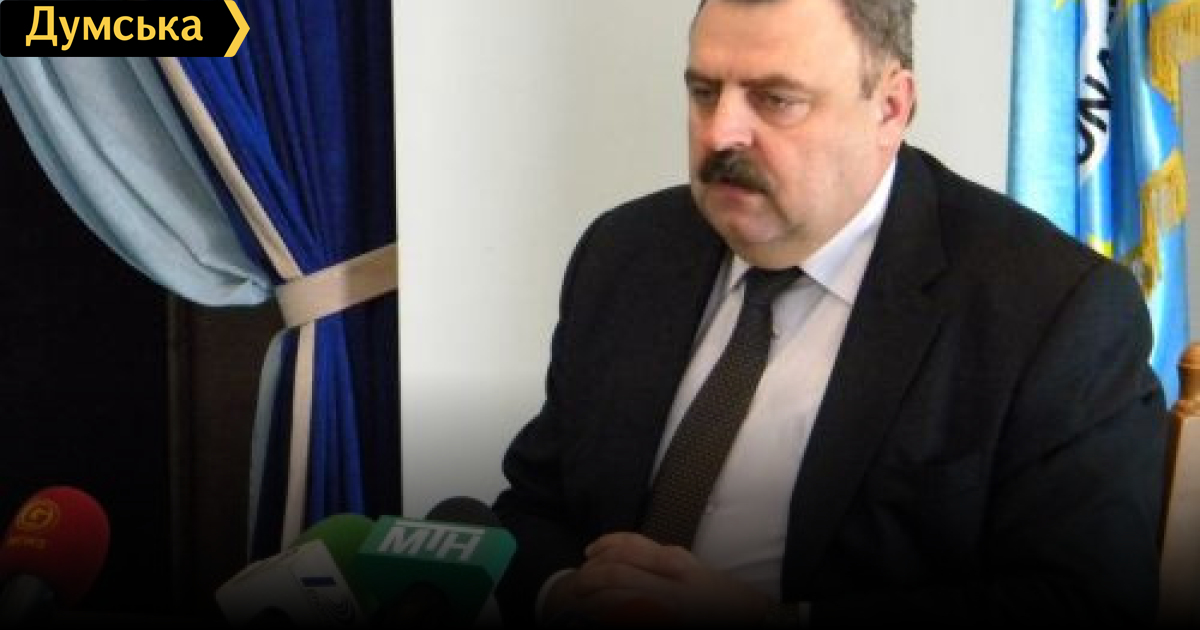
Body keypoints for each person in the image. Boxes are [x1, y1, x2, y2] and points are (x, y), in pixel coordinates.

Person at [490, 0, 1168, 627]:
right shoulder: (626, 253)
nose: (721, 133)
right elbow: (534, 508)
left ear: (890, 109)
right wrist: (562, 594)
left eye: (776, 99)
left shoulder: (1049, 309)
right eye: (704, 92)